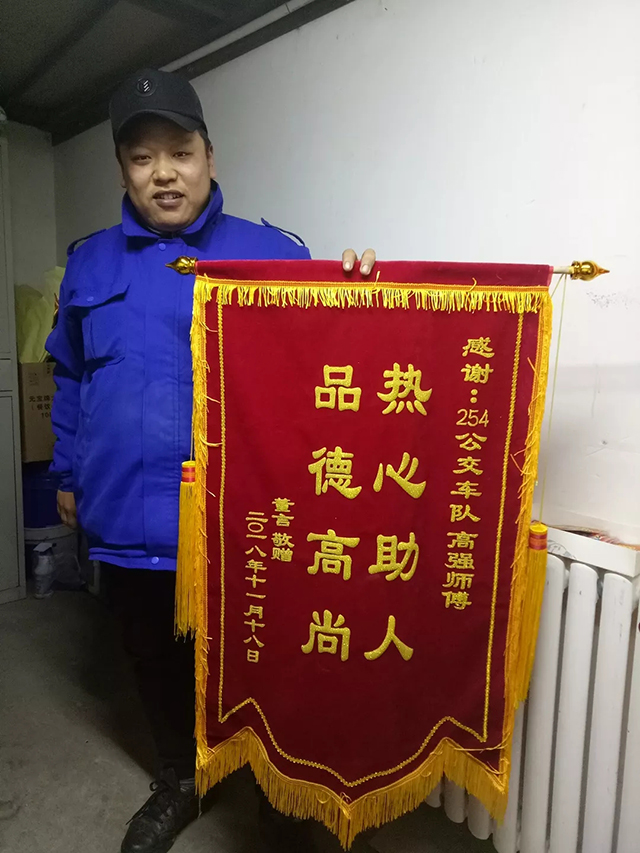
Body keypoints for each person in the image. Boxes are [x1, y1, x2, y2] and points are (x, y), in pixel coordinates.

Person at [47, 68, 376, 853]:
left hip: (242, 519)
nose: (163, 173)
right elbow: (69, 374)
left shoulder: (271, 254)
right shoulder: (90, 263)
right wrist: (66, 472)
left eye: (180, 152)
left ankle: (277, 794)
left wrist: (360, 292)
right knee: (153, 658)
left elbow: (333, 366)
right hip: (126, 512)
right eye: (141, 157)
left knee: (261, 661)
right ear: (123, 170)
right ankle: (180, 777)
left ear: (209, 157)